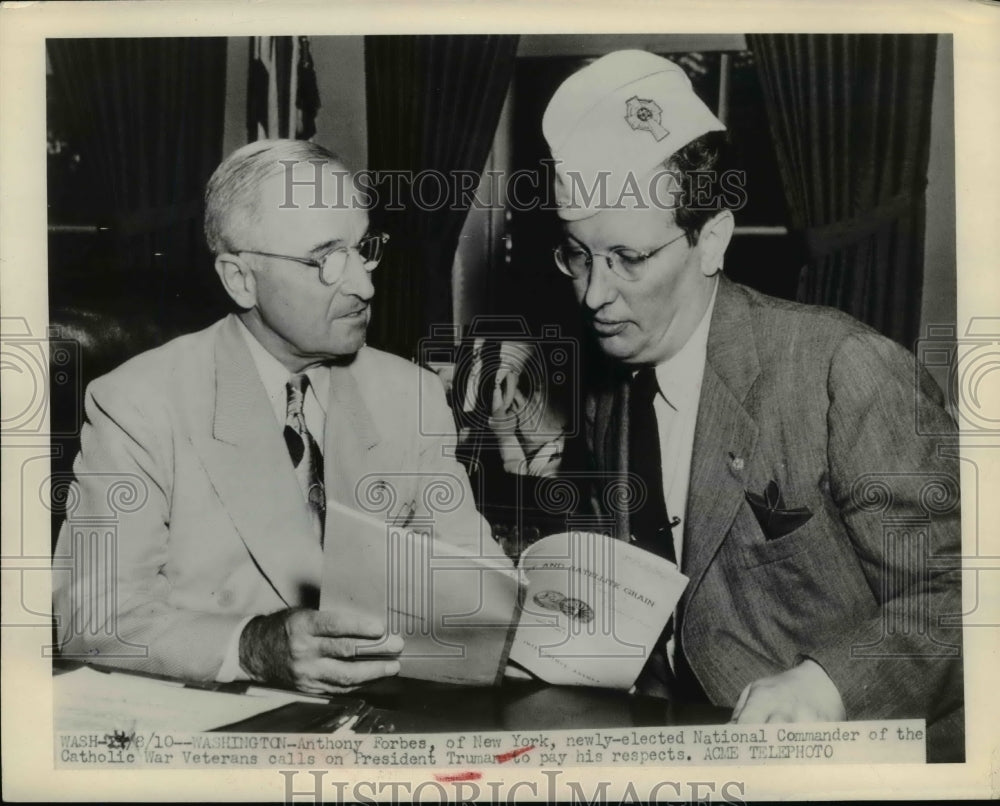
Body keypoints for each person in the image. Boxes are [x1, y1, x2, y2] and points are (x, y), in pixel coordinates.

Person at [540, 50, 962, 742]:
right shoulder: (611, 390)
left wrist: (829, 683)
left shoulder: (842, 371)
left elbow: (964, 597)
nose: (593, 294)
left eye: (629, 259)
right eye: (577, 255)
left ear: (712, 240)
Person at [52, 139, 509, 695]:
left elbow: (479, 594)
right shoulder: (139, 403)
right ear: (240, 279)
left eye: (364, 248)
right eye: (325, 260)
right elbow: (92, 623)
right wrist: (253, 646)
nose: (365, 284)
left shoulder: (407, 395)